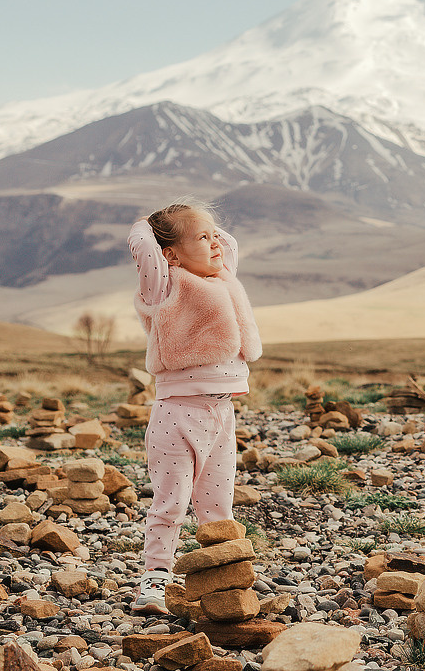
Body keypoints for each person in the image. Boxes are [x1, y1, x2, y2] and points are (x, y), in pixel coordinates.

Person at [127, 198, 262, 615]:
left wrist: (208, 234)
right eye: (202, 238)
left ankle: (220, 579)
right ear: (169, 254)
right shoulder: (165, 285)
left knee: (218, 504)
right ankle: (155, 579)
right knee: (171, 503)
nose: (215, 244)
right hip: (177, 415)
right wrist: (151, 225)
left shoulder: (221, 278)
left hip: (222, 414)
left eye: (214, 235)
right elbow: (142, 244)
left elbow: (229, 245)